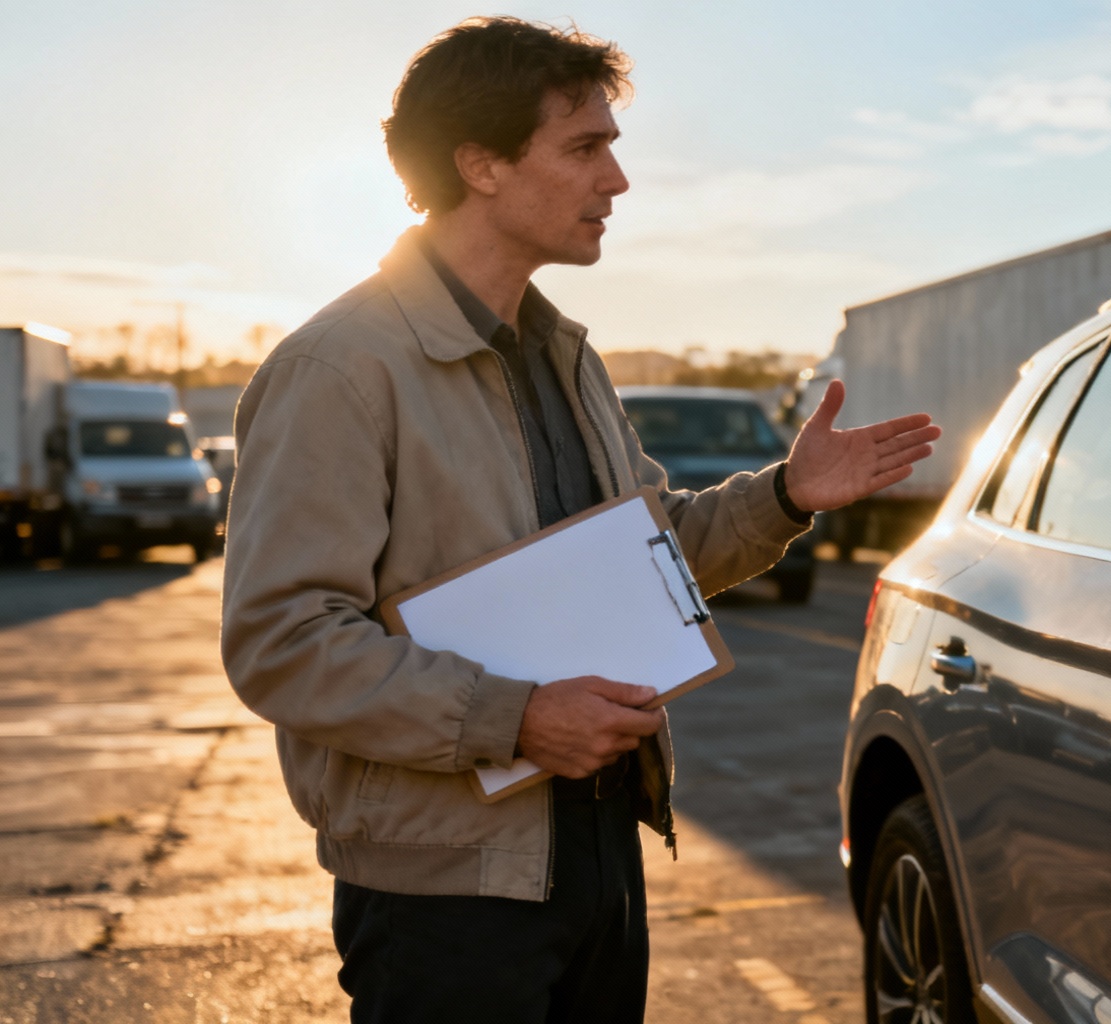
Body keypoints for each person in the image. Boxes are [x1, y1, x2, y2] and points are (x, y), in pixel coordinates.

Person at [219, 17, 939, 1023]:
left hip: (598, 853)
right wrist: (513, 718)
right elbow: (283, 645)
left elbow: (651, 555)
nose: (618, 181)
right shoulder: (338, 369)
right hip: (447, 897)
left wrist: (784, 494)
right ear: (480, 164)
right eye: (585, 147)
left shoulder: (564, 354)